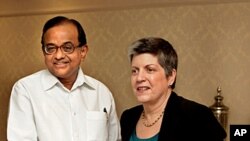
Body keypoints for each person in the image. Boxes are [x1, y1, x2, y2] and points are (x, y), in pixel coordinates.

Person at [7, 16, 120, 141]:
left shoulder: (101, 92)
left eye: (67, 47)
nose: (59, 55)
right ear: (44, 52)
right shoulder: (26, 90)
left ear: (83, 51)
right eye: (50, 48)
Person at [120, 37, 226, 141]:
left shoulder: (197, 116)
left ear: (171, 76)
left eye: (150, 69)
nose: (139, 78)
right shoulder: (128, 118)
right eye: (135, 71)